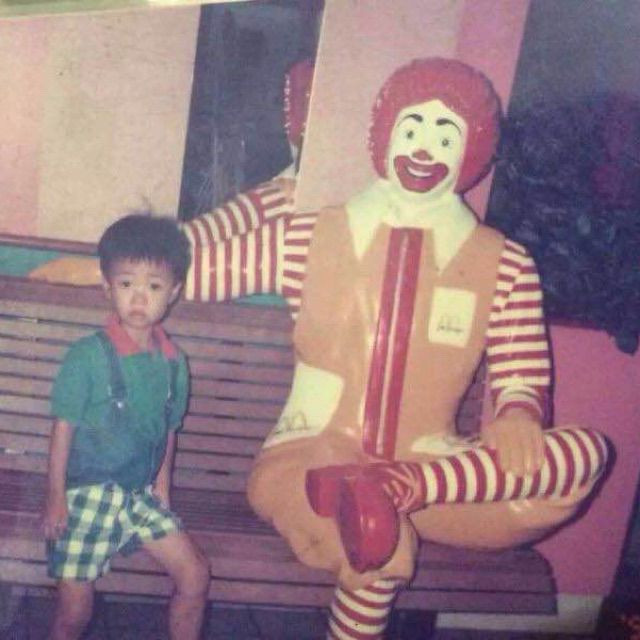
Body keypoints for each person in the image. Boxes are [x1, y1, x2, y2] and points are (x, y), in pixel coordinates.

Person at [34, 59, 611, 639]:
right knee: (377, 547)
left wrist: (519, 413)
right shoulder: (310, 236)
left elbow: (520, 374)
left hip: (437, 472)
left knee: (582, 456)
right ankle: (380, 502)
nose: (424, 150)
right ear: (384, 135)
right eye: (412, 129)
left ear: (474, 149)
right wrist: (97, 270)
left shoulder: (504, 264)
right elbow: (193, 268)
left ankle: (400, 485)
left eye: (446, 136)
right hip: (310, 463)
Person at [42, 213, 210, 640]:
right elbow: (63, 428)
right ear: (107, 287)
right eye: (126, 283)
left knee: (195, 575)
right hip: (85, 496)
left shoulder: (174, 363)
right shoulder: (88, 355)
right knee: (75, 612)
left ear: (173, 292)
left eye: (153, 286)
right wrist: (55, 498)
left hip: (139, 497)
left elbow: (169, 429)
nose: (139, 297)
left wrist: (163, 489)